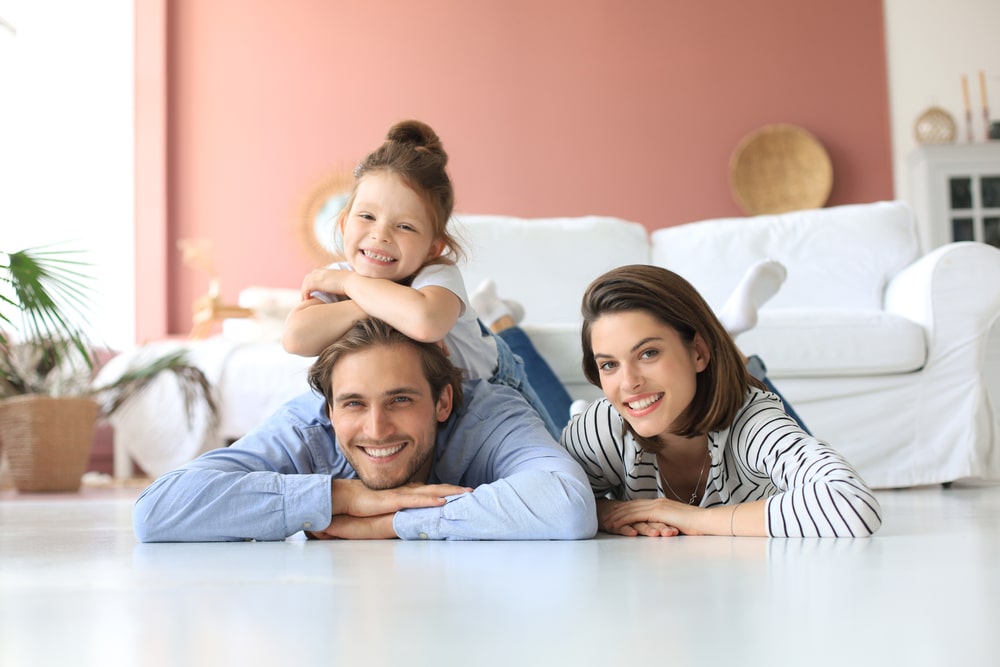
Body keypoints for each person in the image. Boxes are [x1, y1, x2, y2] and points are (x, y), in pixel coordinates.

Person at [133, 318, 598, 542]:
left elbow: (568, 507)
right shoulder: (306, 424)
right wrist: (345, 497)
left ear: (443, 401)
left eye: (400, 399)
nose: (376, 429)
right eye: (354, 403)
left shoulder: (490, 410)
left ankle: (502, 327)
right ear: (330, 408)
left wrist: (392, 523)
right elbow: (155, 511)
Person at [282, 120, 562, 438]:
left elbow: (425, 321)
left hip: (490, 390)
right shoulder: (338, 274)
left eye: (405, 226)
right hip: (424, 410)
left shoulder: (437, 274)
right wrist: (365, 300)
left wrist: (351, 288)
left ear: (433, 247)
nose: (380, 235)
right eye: (367, 216)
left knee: (560, 445)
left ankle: (499, 319)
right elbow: (296, 337)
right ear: (344, 224)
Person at [558, 264, 882, 538]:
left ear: (698, 352)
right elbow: (546, 506)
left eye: (648, 353)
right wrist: (607, 511)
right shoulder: (601, 426)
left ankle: (730, 345)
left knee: (748, 391)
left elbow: (851, 503)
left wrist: (684, 516)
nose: (628, 382)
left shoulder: (752, 422)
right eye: (609, 364)